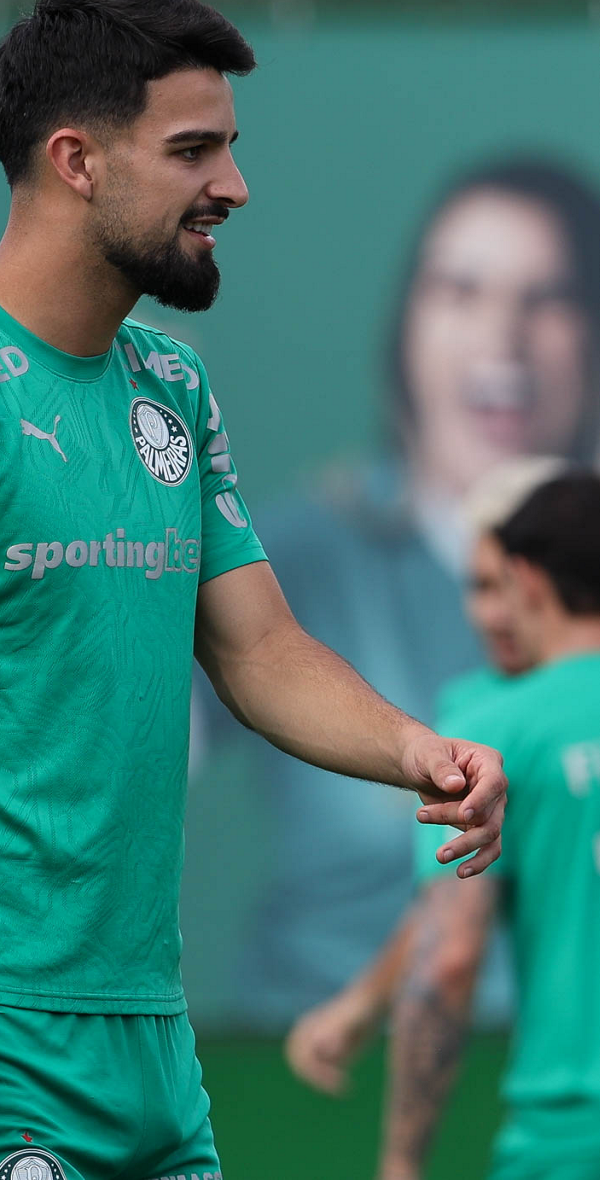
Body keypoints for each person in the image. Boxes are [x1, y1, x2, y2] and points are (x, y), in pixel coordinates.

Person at [0, 0, 505, 1180]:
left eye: (229, 148)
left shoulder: (172, 383)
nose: (232, 186)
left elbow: (258, 650)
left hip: (151, 1039)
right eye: (192, 150)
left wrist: (413, 747)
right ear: (76, 161)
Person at [228, 158, 600, 1022]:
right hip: (293, 1037)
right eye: (459, 290)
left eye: (548, 297)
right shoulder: (295, 549)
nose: (501, 336)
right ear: (404, 329)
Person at [284, 454, 565, 1097]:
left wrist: (400, 1155)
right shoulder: (486, 714)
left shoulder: (489, 717)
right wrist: (364, 1002)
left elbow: (450, 951)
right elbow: (450, 903)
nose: (498, 613)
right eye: (481, 586)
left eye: (515, 585)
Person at [375, 470, 600, 1180]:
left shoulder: (490, 732)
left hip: (570, 1136)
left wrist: (400, 1163)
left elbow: (447, 960)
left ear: (524, 578)